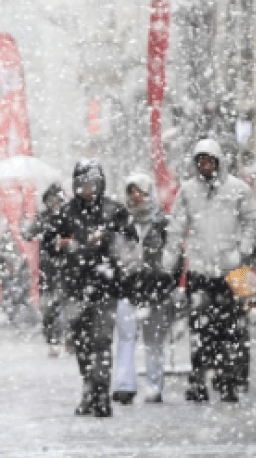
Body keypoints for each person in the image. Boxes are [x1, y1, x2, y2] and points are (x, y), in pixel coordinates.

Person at [173, 138, 256, 403]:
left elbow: (253, 221)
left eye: (209, 161)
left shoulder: (238, 189)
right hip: (201, 270)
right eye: (201, 161)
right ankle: (199, 379)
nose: (205, 166)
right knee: (200, 329)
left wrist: (242, 249)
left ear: (218, 162)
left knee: (230, 329)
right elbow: (176, 227)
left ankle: (228, 380)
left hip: (231, 271)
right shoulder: (188, 191)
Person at [41, 160, 135, 417]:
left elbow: (130, 240)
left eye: (93, 183)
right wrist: (61, 244)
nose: (88, 189)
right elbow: (48, 241)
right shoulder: (66, 213)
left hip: (106, 286)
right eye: (83, 184)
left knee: (102, 340)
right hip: (74, 287)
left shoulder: (114, 210)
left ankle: (101, 393)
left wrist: (110, 239)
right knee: (82, 343)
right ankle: (90, 387)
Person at [111, 173, 175, 405]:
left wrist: (170, 282)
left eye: (141, 191)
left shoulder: (163, 224)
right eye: (132, 191)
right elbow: (115, 254)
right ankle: (124, 385)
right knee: (126, 337)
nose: (137, 197)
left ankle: (154, 386)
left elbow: (175, 255)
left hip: (155, 290)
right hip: (127, 289)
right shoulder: (121, 222)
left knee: (154, 341)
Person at [26, 183, 69, 355]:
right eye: (50, 199)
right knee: (49, 308)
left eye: (56, 199)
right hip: (48, 269)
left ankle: (69, 338)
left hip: (67, 267)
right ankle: (53, 340)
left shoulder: (68, 217)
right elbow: (29, 234)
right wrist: (38, 229)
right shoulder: (42, 217)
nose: (53, 202)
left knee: (67, 305)